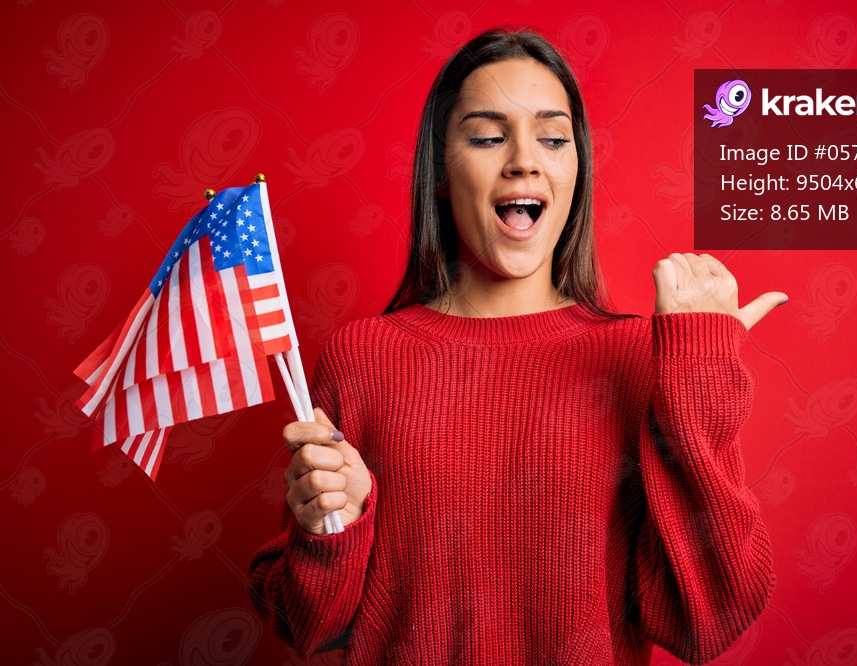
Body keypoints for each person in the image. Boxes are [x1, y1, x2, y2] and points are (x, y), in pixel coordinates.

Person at [248, 26, 783, 665]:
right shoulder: (360, 358)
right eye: (487, 136)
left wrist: (697, 373)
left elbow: (706, 623)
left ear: (575, 169)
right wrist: (332, 528)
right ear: (441, 172)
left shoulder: (644, 360)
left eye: (553, 139)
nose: (524, 159)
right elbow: (305, 627)